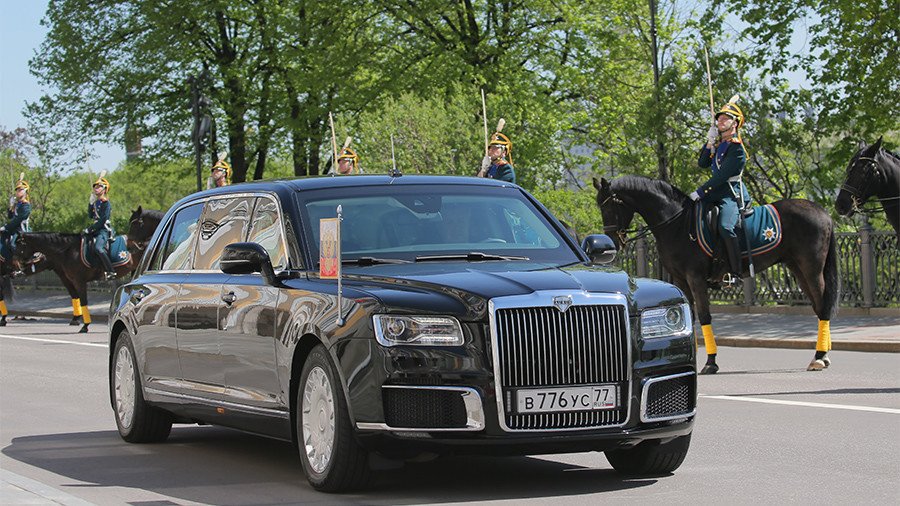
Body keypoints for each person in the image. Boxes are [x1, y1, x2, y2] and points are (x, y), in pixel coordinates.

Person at [688, 97, 751, 285]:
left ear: (735, 123)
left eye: (725, 118)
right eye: (719, 118)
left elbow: (721, 177)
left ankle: (736, 273)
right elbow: (702, 163)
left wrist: (700, 191)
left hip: (731, 194)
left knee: (725, 226)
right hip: (717, 192)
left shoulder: (737, 149)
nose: (720, 121)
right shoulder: (719, 145)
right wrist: (709, 142)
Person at [84, 176, 116, 280]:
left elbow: (103, 220)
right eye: (95, 187)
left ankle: (111, 271)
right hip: (95, 228)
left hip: (103, 229)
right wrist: (90, 204)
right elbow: (90, 215)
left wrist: (90, 229)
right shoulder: (95, 202)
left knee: (99, 248)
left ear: (104, 189)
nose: (96, 189)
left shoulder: (106, 203)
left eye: (99, 187)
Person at [0, 177, 32, 256]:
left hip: (22, 229)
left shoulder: (26, 205)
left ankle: (19, 265)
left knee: (13, 244)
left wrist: (6, 227)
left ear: (25, 192)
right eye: (17, 190)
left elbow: (18, 219)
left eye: (20, 190)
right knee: (3, 237)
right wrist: (11, 207)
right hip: (14, 229)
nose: (17, 192)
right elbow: (10, 217)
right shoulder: (17, 204)